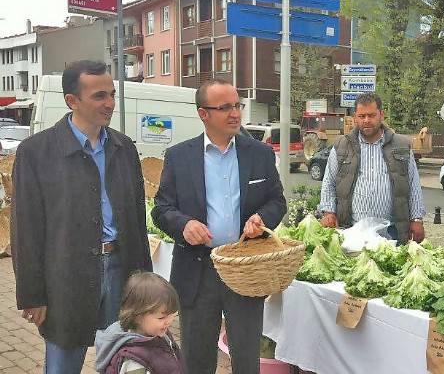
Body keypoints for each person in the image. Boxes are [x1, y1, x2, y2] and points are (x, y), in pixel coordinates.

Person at [11, 60, 152, 373]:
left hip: (121, 270)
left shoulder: (123, 147)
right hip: (66, 275)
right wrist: (32, 295)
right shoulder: (36, 152)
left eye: (112, 94)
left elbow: (136, 218)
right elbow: (26, 230)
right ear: (72, 101)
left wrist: (146, 281)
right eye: (100, 96)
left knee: (124, 361)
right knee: (63, 362)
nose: (110, 103)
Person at [151, 79, 286, 374]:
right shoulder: (180, 157)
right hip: (197, 272)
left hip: (245, 271)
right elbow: (161, 209)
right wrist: (184, 224)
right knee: (197, 360)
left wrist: (262, 219)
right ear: (204, 114)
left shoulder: (259, 154)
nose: (235, 113)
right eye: (225, 107)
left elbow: (277, 201)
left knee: (247, 360)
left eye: (237, 105)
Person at [318, 92, 426, 244]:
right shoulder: (342, 146)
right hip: (352, 230)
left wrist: (416, 219)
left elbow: (414, 184)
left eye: (371, 115)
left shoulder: (401, 145)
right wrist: (329, 212)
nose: (367, 120)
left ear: (381, 115)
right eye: (362, 116)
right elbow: (329, 181)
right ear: (355, 117)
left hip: (391, 231)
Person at [95, 272, 184, 374]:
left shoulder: (157, 333)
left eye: (172, 314)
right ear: (137, 317)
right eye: (161, 317)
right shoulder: (133, 360)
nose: (169, 321)